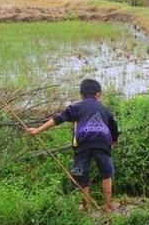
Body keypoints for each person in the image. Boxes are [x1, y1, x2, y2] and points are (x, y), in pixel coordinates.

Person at [27, 79, 118, 212]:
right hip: (102, 143)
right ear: (98, 94)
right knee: (107, 174)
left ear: (81, 95)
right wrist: (114, 140)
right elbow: (114, 126)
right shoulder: (104, 109)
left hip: (82, 144)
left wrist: (37, 130)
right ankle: (108, 206)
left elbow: (58, 119)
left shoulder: (77, 107)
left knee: (80, 174)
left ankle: (86, 207)